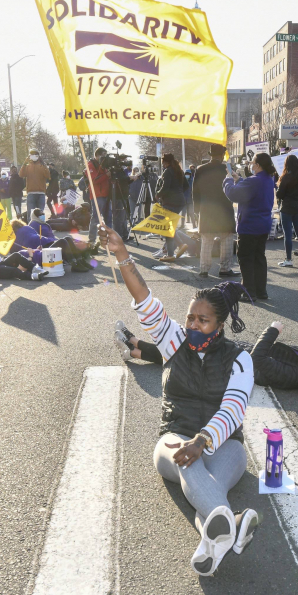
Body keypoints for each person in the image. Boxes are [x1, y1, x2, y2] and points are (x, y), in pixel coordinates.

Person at [100, 224, 258, 576]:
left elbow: (233, 409)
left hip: (225, 445)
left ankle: (219, 536)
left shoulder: (239, 358)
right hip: (174, 438)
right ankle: (232, 525)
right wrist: (123, 256)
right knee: (190, 467)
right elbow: (145, 301)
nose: (193, 324)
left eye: (203, 320)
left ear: (219, 325)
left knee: (207, 488)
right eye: (190, 317)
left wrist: (203, 440)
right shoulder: (173, 342)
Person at [224, 152, 277, 300]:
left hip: (249, 225)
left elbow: (233, 194)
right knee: (259, 258)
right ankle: (261, 291)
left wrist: (228, 181)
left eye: (252, 162)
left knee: (246, 258)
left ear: (258, 165)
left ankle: (248, 292)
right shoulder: (268, 178)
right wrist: (239, 179)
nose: (250, 164)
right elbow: (249, 190)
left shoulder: (254, 181)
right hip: (263, 224)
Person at [193, 144, 237, 279]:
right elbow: (235, 187)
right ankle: (225, 268)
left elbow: (195, 190)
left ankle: (204, 269)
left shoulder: (200, 169)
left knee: (206, 240)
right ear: (222, 155)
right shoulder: (227, 169)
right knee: (227, 239)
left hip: (206, 209)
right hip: (224, 208)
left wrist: (196, 209)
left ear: (210, 155)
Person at [155, 153, 195, 262]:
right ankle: (174, 250)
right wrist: (178, 192)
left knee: (167, 228)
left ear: (165, 162)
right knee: (169, 227)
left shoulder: (167, 172)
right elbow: (186, 186)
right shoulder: (179, 170)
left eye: (163, 162)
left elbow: (165, 187)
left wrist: (157, 194)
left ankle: (175, 250)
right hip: (180, 201)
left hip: (170, 202)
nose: (162, 164)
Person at [275, 154, 298, 267]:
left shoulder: (286, 177)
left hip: (286, 207)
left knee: (287, 234)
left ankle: (288, 259)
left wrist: (278, 190)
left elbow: (280, 194)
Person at [85, 148, 113, 244]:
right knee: (96, 218)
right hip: (97, 195)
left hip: (106, 194)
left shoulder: (104, 165)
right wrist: (107, 175)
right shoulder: (90, 165)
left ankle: (110, 239)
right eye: (103, 156)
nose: (104, 158)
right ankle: (91, 240)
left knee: (108, 217)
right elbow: (94, 180)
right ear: (97, 156)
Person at [18, 149, 50, 217]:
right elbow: (21, 174)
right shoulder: (27, 166)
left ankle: (40, 227)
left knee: (40, 215)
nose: (33, 156)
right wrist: (24, 163)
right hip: (31, 193)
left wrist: (43, 164)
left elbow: (48, 176)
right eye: (32, 154)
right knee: (31, 215)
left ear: (38, 156)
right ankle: (32, 227)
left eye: (35, 154)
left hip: (41, 193)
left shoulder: (42, 166)